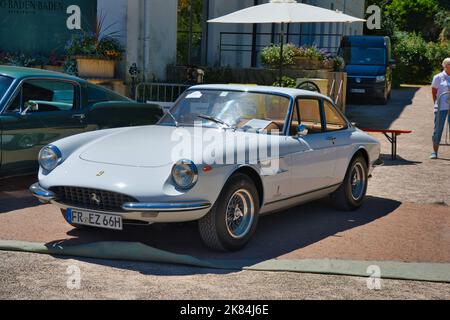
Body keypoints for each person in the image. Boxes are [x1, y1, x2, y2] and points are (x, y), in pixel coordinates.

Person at [431, 58, 450, 159]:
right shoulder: (438, 77)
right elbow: (434, 91)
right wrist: (436, 104)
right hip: (441, 107)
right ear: (445, 66)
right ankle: (434, 152)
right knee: (438, 129)